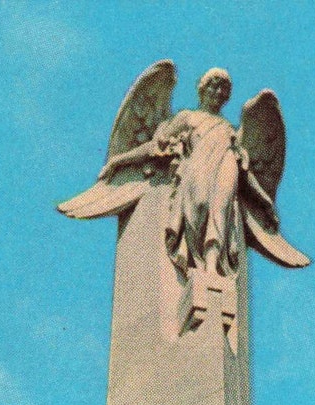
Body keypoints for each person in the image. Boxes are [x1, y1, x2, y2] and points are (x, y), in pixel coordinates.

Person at [99, 68, 249, 277]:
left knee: (221, 210)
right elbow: (154, 146)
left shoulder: (228, 128)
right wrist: (119, 160)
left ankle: (213, 264)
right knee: (200, 204)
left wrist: (265, 204)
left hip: (225, 165)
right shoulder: (188, 118)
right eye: (214, 86)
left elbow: (247, 174)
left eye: (223, 89)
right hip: (198, 168)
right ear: (203, 89)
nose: (218, 92)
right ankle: (195, 260)